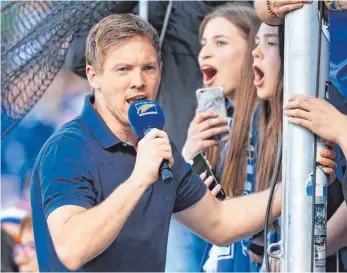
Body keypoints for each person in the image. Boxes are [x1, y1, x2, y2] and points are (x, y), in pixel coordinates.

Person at [30, 13, 283, 272]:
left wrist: (295, 188)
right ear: (94, 76)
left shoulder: (158, 144)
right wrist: (139, 178)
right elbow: (72, 250)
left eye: (148, 68)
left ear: (160, 70)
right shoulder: (68, 148)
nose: (138, 81)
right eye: (123, 69)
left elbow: (219, 222)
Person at [167, 3, 262, 272]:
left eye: (220, 43)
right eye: (204, 43)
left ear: (256, 52)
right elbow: (216, 211)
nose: (205, 53)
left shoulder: (267, 121)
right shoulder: (218, 128)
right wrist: (189, 155)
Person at [252, 22, 344, 271]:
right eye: (256, 43)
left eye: (271, 43)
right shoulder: (264, 122)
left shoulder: (326, 108)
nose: (256, 52)